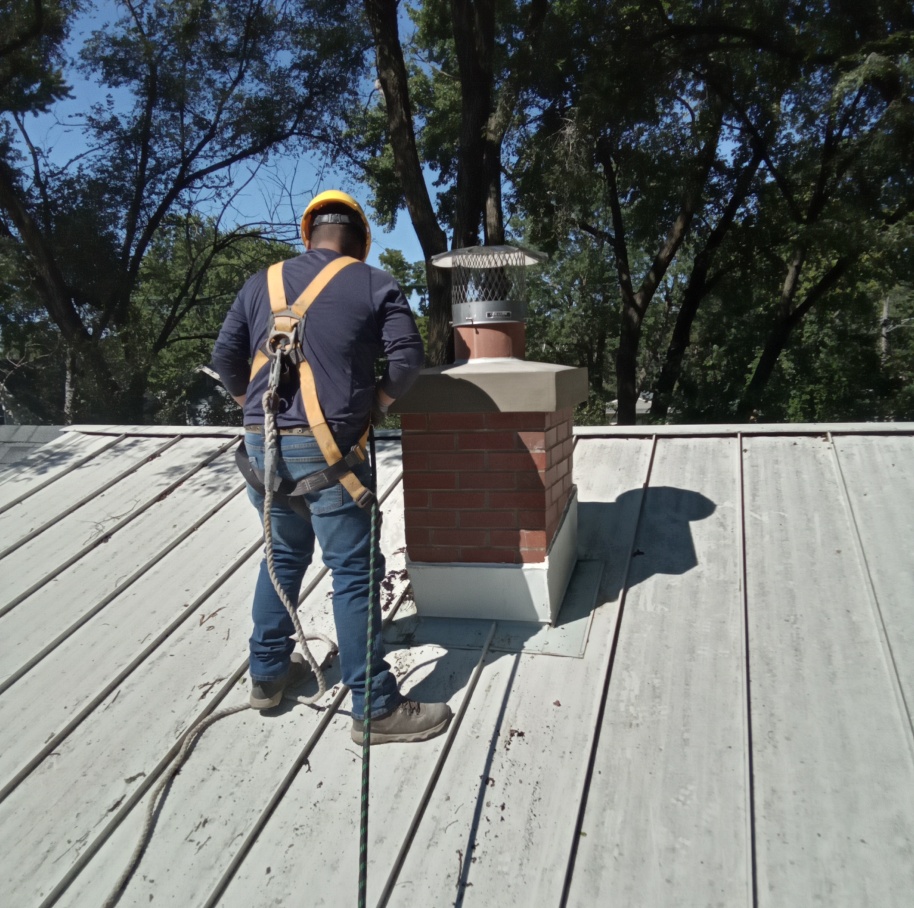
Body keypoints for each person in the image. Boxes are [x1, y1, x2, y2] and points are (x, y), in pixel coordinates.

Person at [212, 189, 452, 745]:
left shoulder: (260, 284)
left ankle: (267, 677)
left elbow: (226, 359)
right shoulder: (373, 281)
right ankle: (376, 707)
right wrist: (378, 406)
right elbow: (408, 360)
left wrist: (254, 410)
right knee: (355, 577)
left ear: (309, 233)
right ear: (361, 242)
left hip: (261, 450)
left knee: (282, 556)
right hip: (332, 455)